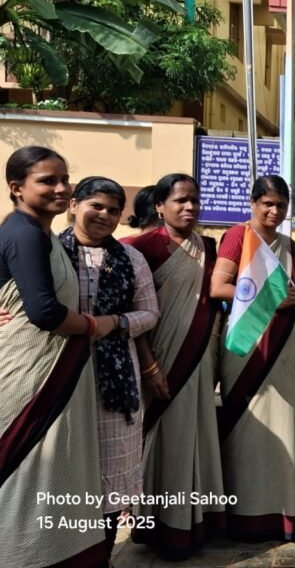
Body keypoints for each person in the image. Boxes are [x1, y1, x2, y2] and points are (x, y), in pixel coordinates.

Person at [0, 146, 108, 567]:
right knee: (24, 474)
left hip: (52, 367)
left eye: (65, 179)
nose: (61, 188)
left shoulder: (38, 231)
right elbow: (44, 312)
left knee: (51, 469)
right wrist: (95, 325)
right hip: (30, 376)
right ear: (17, 188)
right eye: (47, 181)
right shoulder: (24, 231)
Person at [124, 173, 226, 558]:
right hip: (160, 362)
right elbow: (131, 309)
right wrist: (149, 366)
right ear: (160, 206)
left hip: (200, 358)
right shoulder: (142, 248)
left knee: (195, 436)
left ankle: (195, 520)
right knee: (162, 441)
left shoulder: (208, 248)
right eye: (180, 200)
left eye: (195, 200)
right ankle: (161, 525)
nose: (189, 207)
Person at [60, 177, 160, 559]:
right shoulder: (50, 252)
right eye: (96, 206)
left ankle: (99, 556)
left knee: (109, 477)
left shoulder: (130, 259)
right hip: (60, 373)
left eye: (114, 210)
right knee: (67, 469)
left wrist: (115, 323)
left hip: (115, 379)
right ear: (73, 205)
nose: (105, 215)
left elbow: (150, 312)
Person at [211, 175, 295, 541]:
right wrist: (272, 299)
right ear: (253, 203)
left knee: (283, 427)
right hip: (247, 346)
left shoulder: (290, 246)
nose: (274, 211)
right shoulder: (240, 236)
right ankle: (245, 513)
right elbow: (218, 287)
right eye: (267, 203)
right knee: (247, 428)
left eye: (280, 205)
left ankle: (280, 512)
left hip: (284, 345)